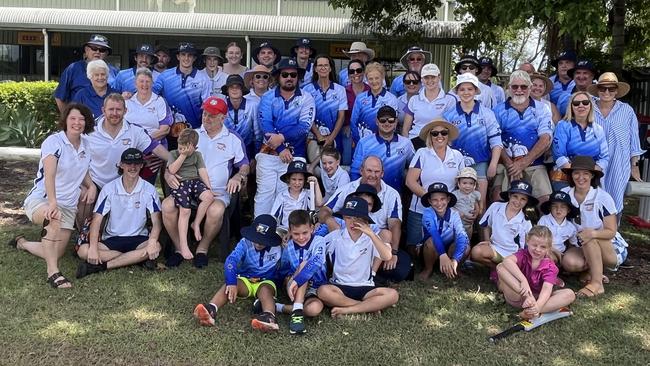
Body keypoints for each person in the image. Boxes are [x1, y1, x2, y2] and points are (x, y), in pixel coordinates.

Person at [11, 104, 96, 289]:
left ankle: (22, 243)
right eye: (73, 118)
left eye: (81, 119)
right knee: (54, 218)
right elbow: (49, 174)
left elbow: (83, 171)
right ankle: (53, 273)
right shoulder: (53, 141)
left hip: (68, 205)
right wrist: (52, 203)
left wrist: (91, 186)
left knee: (56, 252)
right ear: (65, 120)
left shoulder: (87, 144)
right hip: (43, 199)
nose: (77, 122)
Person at [162, 96, 249, 268]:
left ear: (223, 118)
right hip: (187, 187)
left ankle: (202, 248)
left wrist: (238, 176)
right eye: (205, 114)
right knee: (167, 206)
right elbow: (172, 163)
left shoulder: (233, 139)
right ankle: (179, 247)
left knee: (216, 210)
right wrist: (168, 175)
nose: (206, 118)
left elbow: (244, 165)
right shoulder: (191, 135)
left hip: (217, 191)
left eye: (212, 115)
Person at [320, 157, 410, 283]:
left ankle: (371, 274)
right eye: (369, 170)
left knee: (400, 268)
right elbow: (325, 210)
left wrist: (393, 252)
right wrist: (330, 221)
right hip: (348, 239)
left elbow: (395, 223)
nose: (373, 175)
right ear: (361, 171)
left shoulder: (392, 194)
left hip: (374, 242)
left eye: (377, 171)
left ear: (382, 173)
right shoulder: (347, 189)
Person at [76, 148, 162, 278]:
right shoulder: (109, 188)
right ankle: (137, 259)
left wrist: (152, 241)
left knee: (156, 245)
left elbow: (157, 222)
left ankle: (103, 266)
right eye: (128, 163)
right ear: (121, 165)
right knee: (83, 251)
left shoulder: (149, 190)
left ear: (142, 165)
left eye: (137, 163)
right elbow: (96, 221)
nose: (133, 167)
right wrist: (93, 248)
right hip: (112, 238)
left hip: (139, 238)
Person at [193, 214, 283, 331]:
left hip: (266, 281)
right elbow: (231, 260)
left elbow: (285, 268)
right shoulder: (245, 243)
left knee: (266, 291)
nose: (259, 243)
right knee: (229, 285)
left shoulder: (279, 248)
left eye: (263, 240)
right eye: (256, 238)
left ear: (271, 239)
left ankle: (269, 318)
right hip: (246, 279)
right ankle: (211, 309)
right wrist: (231, 282)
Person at [317, 196, 399, 317]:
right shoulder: (335, 236)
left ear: (365, 220)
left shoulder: (373, 238)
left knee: (393, 295)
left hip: (366, 287)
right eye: (348, 217)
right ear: (344, 218)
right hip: (339, 286)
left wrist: (371, 234)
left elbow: (387, 256)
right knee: (323, 291)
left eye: (357, 218)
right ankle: (367, 307)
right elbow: (316, 251)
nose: (352, 222)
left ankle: (347, 309)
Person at [560, 156, 629, 297]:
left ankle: (597, 284)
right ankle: (590, 272)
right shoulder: (565, 194)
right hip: (581, 244)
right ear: (571, 175)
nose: (581, 177)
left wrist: (593, 234)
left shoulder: (602, 197)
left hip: (610, 246)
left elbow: (611, 231)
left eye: (586, 173)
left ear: (592, 175)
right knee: (569, 262)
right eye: (576, 173)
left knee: (587, 235)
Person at [255, 58, 315, 217]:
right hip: (268, 153)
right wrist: (281, 148)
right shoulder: (268, 97)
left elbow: (304, 127)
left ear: (298, 77)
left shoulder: (306, 97)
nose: (289, 77)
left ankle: (286, 236)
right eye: (285, 74)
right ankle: (260, 235)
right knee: (265, 195)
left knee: (290, 198)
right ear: (278, 77)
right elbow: (265, 124)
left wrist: (280, 137)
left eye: (293, 74)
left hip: (296, 155)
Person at [405, 119, 464, 255]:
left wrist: (446, 204)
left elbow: (461, 183)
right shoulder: (422, 153)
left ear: (448, 135)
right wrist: (430, 200)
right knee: (414, 252)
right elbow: (410, 181)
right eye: (435, 133)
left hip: (449, 209)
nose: (439, 136)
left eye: (443, 132)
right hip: (421, 208)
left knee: (452, 247)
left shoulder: (457, 156)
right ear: (429, 136)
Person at [444, 73, 502, 212]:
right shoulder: (449, 115)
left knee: (480, 205)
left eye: (470, 89)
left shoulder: (487, 113)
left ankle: (482, 234)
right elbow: (445, 142)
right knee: (456, 204)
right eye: (462, 89)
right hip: (456, 164)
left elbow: (496, 140)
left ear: (476, 91)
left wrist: (493, 164)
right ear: (457, 91)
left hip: (480, 164)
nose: (466, 92)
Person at [493, 70, 553, 204]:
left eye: (524, 86)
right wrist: (511, 165)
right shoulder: (498, 110)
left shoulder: (542, 109)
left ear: (530, 88)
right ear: (509, 88)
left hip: (534, 163)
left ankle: (541, 225)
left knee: (545, 202)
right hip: (506, 164)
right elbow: (495, 139)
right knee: (497, 198)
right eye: (515, 86)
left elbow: (545, 139)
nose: (519, 90)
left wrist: (523, 163)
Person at [86, 94, 170, 190]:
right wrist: (90, 185)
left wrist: (178, 161)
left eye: (118, 109)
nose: (114, 113)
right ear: (103, 110)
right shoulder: (89, 131)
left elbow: (158, 150)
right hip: (95, 183)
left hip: (122, 186)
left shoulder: (135, 131)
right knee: (83, 194)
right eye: (111, 109)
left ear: (125, 111)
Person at [589, 72, 644, 217]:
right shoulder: (588, 108)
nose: (607, 92)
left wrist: (635, 166)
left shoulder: (627, 111)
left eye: (611, 89)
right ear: (598, 89)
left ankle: (612, 235)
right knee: (591, 199)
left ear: (617, 91)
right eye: (603, 88)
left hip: (618, 164)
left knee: (615, 201)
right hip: (593, 162)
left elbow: (634, 140)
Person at [496, 226, 575, 320]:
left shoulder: (550, 267)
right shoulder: (523, 254)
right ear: (527, 241)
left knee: (570, 294)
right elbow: (507, 261)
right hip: (517, 295)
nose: (537, 249)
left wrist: (538, 306)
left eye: (543, 247)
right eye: (534, 245)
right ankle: (532, 307)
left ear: (549, 248)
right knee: (500, 267)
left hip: (537, 299)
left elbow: (546, 288)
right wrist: (523, 281)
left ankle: (532, 311)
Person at [276, 210, 327, 334]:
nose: (301, 237)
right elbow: (283, 270)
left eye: (305, 232)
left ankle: (279, 307)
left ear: (312, 228)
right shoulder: (289, 246)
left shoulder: (319, 241)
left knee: (314, 309)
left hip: (315, 288)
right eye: (296, 234)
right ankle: (297, 311)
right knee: (303, 265)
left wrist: (298, 280)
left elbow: (317, 260)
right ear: (290, 231)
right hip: (293, 286)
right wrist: (288, 282)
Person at [167, 128, 215, 259]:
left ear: (194, 147)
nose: (182, 150)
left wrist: (209, 187)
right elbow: (171, 170)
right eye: (180, 147)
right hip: (180, 184)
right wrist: (182, 155)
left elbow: (202, 171)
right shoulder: (174, 154)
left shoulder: (197, 155)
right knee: (185, 211)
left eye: (185, 148)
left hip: (194, 182)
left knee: (208, 197)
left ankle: (196, 224)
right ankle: (183, 245)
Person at [471, 180, 535, 269]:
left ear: (527, 201)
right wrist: (487, 240)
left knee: (520, 265)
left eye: (523, 199)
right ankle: (497, 269)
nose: (518, 201)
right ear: (509, 196)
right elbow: (485, 224)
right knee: (476, 252)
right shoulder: (496, 207)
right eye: (515, 196)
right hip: (495, 248)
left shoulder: (525, 220)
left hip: (513, 255)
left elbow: (528, 243)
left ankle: (506, 269)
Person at [551, 91, 608, 191]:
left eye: (585, 102)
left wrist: (590, 175)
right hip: (565, 177)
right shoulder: (563, 125)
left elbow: (604, 157)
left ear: (590, 105)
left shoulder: (598, 129)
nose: (581, 105)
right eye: (576, 103)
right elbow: (558, 155)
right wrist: (576, 175)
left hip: (590, 178)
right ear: (571, 107)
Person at [125, 68, 173, 185]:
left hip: (154, 152)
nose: (144, 85)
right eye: (141, 81)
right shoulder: (127, 102)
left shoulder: (159, 101)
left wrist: (144, 142)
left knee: (150, 185)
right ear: (135, 83)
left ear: (152, 83)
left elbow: (165, 129)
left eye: (147, 81)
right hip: (129, 147)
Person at [350, 106, 415, 191]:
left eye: (391, 120)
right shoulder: (364, 143)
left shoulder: (406, 143)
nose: (387, 123)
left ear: (396, 122)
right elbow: (355, 172)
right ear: (377, 121)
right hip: (369, 195)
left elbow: (415, 168)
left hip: (397, 195)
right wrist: (358, 193)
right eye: (383, 120)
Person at [54, 34, 118, 113]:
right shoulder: (73, 69)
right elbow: (59, 97)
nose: (97, 52)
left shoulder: (114, 71)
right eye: (94, 48)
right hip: (81, 122)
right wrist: (68, 118)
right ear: (86, 50)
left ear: (106, 53)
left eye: (102, 50)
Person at [153, 42, 211, 128]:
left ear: (194, 58)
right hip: (168, 130)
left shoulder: (203, 79)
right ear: (178, 57)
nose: (186, 58)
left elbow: (207, 105)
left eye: (190, 55)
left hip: (195, 130)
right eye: (183, 54)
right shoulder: (165, 76)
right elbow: (152, 96)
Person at [419, 182, 470, 280]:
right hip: (430, 251)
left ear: (448, 199)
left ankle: (455, 268)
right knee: (430, 242)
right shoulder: (427, 213)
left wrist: (455, 259)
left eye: (442, 199)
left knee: (466, 246)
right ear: (429, 201)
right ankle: (428, 269)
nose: (439, 203)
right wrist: (442, 254)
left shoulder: (454, 214)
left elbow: (462, 235)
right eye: (435, 200)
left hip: (448, 249)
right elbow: (434, 234)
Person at [302, 54, 347, 163]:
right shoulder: (307, 90)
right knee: (316, 170)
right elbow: (307, 115)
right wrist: (319, 136)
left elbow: (341, 117)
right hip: (312, 137)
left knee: (332, 168)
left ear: (330, 68)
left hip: (334, 137)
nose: (323, 68)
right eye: (320, 65)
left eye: (326, 65)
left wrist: (331, 138)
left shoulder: (340, 90)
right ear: (315, 69)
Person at [402, 63, 456, 149]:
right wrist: (407, 147)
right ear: (422, 79)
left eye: (433, 77)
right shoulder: (414, 100)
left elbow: (452, 126)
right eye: (426, 77)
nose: (430, 80)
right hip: (415, 141)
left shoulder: (449, 100)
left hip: (439, 141)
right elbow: (405, 129)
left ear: (439, 77)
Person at [350, 62, 399, 144]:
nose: (374, 81)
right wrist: (357, 140)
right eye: (370, 79)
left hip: (382, 143)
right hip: (362, 142)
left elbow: (393, 124)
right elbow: (353, 121)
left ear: (382, 78)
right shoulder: (360, 98)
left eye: (377, 78)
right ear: (366, 79)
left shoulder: (391, 99)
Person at [271, 160, 323, 231]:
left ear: (305, 180)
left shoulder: (307, 193)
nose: (297, 183)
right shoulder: (282, 196)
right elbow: (273, 216)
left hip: (304, 230)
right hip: (286, 229)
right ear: (288, 180)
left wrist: (316, 184)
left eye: (300, 179)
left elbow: (319, 203)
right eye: (294, 179)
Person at [222, 74, 259, 159]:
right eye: (231, 87)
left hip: (247, 150)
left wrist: (256, 156)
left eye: (237, 87)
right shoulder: (222, 105)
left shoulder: (252, 105)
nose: (234, 90)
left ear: (242, 89)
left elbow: (257, 134)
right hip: (225, 150)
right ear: (227, 90)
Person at [537, 191, 579, 264]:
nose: (558, 209)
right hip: (544, 250)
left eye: (563, 207)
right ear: (550, 208)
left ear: (568, 210)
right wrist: (553, 251)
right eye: (554, 206)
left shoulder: (570, 227)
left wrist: (567, 255)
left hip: (561, 254)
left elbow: (573, 244)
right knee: (547, 257)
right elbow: (538, 239)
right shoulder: (544, 220)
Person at [343, 60, 370, 165]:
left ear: (363, 72)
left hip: (367, 130)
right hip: (348, 130)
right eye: (352, 71)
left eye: (358, 70)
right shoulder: (343, 91)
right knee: (347, 159)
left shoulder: (370, 90)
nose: (355, 74)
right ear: (349, 74)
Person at [451, 167, 481, 237]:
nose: (467, 186)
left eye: (471, 183)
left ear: (474, 185)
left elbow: (477, 204)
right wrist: (457, 213)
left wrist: (477, 210)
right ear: (458, 183)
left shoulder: (474, 194)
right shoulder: (455, 195)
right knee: (457, 240)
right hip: (456, 224)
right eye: (464, 183)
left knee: (467, 239)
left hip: (469, 224)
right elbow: (449, 207)